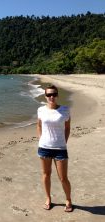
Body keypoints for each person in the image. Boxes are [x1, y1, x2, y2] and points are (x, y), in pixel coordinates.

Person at [37, 84, 73, 212]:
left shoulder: (65, 110)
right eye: (48, 94)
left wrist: (64, 141)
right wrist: (41, 139)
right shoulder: (40, 110)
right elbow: (39, 126)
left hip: (60, 148)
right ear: (45, 96)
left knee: (63, 178)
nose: (51, 96)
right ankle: (48, 198)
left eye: (54, 94)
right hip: (44, 147)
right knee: (46, 175)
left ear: (57, 95)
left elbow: (68, 127)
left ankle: (68, 199)